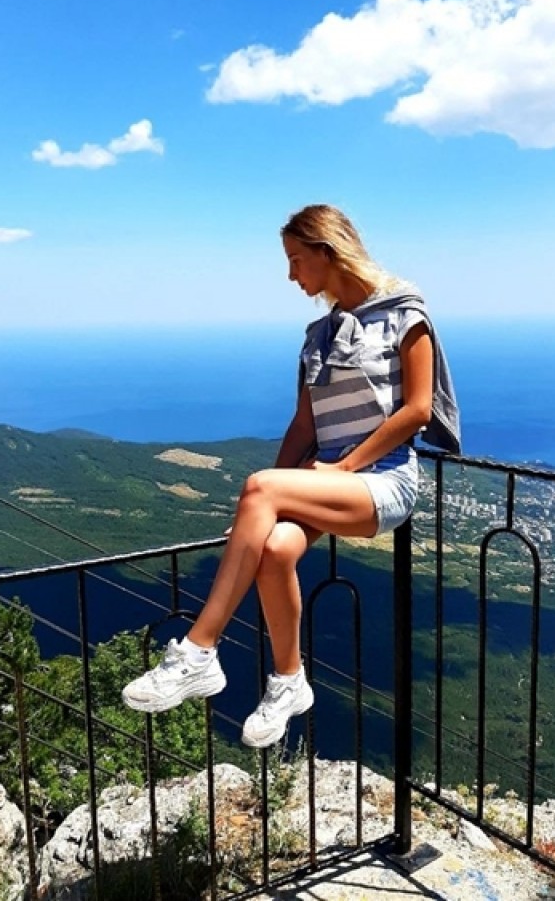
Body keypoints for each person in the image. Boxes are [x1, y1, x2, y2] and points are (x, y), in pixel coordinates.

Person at [122, 204, 460, 748]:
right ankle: (288, 681)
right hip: (327, 478)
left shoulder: (406, 315)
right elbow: (305, 424)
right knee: (275, 548)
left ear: (328, 252)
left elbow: (418, 410)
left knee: (260, 486)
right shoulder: (318, 336)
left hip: (383, 480)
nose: (291, 275)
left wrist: (340, 467)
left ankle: (198, 652)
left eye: (296, 260)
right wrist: (261, 514)